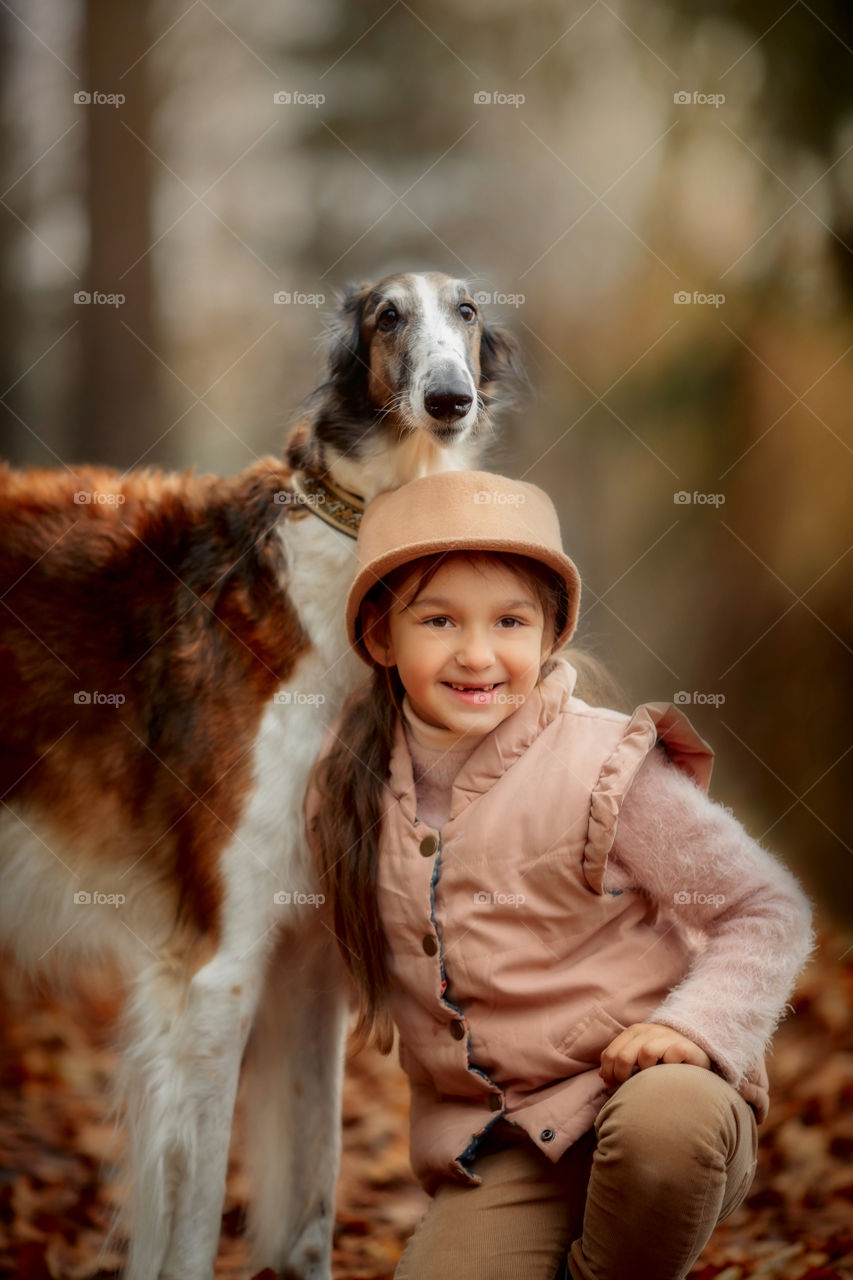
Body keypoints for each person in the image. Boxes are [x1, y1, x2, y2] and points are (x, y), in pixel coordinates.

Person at [305, 469, 815, 1280]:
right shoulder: (347, 784)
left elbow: (764, 909)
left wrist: (690, 1031)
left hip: (657, 1107)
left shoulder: (603, 765)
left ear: (549, 636)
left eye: (509, 621)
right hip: (508, 1147)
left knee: (664, 1129)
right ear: (378, 638)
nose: (477, 654)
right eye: (437, 620)